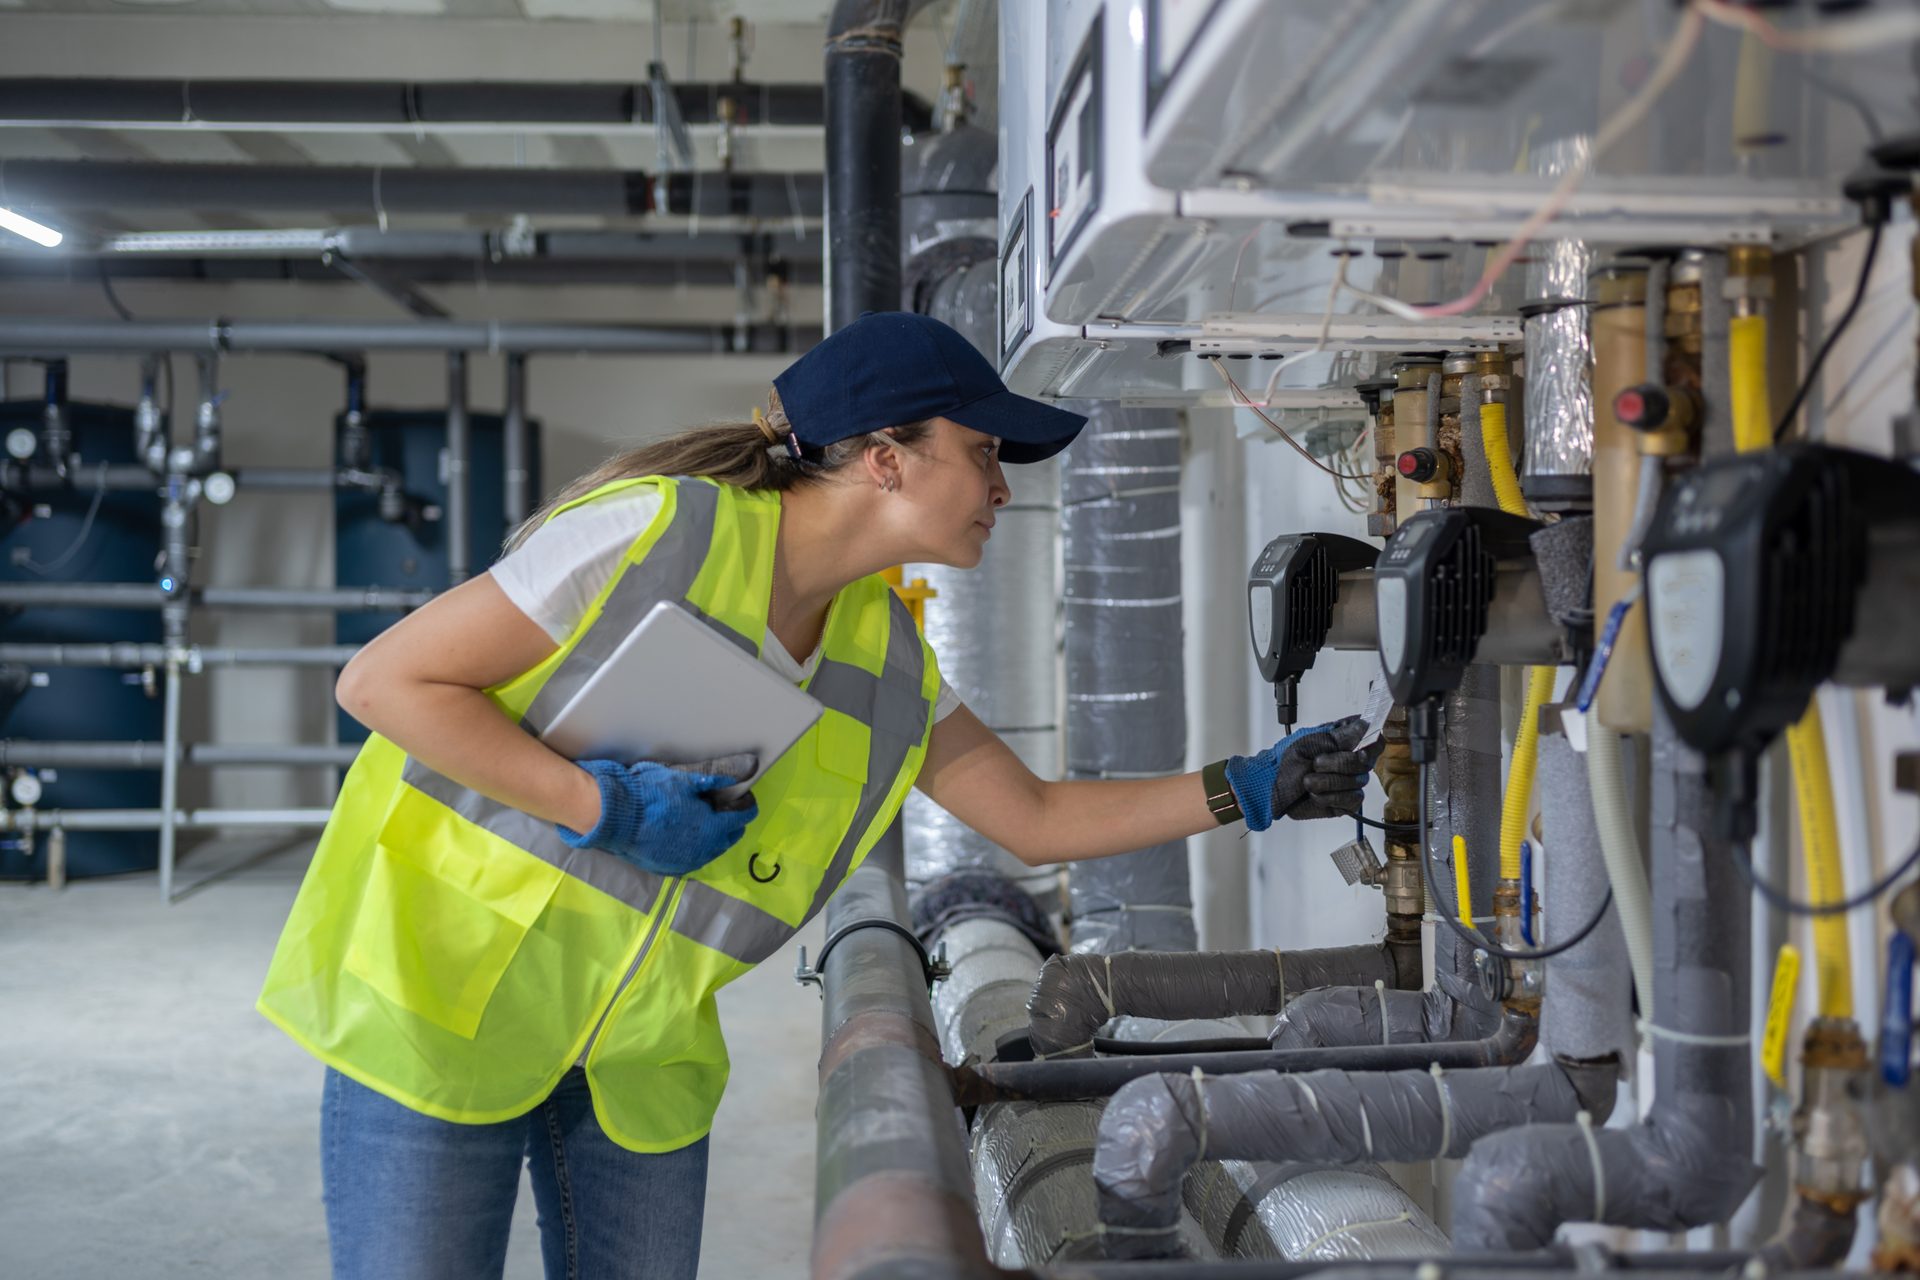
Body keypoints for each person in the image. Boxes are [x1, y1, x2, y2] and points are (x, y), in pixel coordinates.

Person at [257, 312, 1375, 1280]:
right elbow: (385, 678)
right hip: (441, 996)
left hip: (637, 1056)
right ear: (885, 456)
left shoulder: (884, 653)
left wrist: (1244, 787)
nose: (1000, 486)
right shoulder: (657, 530)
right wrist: (602, 806)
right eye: (981, 450)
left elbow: (1032, 816)